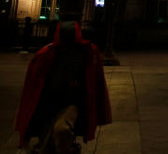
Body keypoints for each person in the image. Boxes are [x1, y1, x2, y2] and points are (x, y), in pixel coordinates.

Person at [15, 21, 111, 153]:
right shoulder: (47, 54)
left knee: (61, 130)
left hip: (70, 102)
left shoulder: (86, 52)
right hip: (50, 102)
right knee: (47, 140)